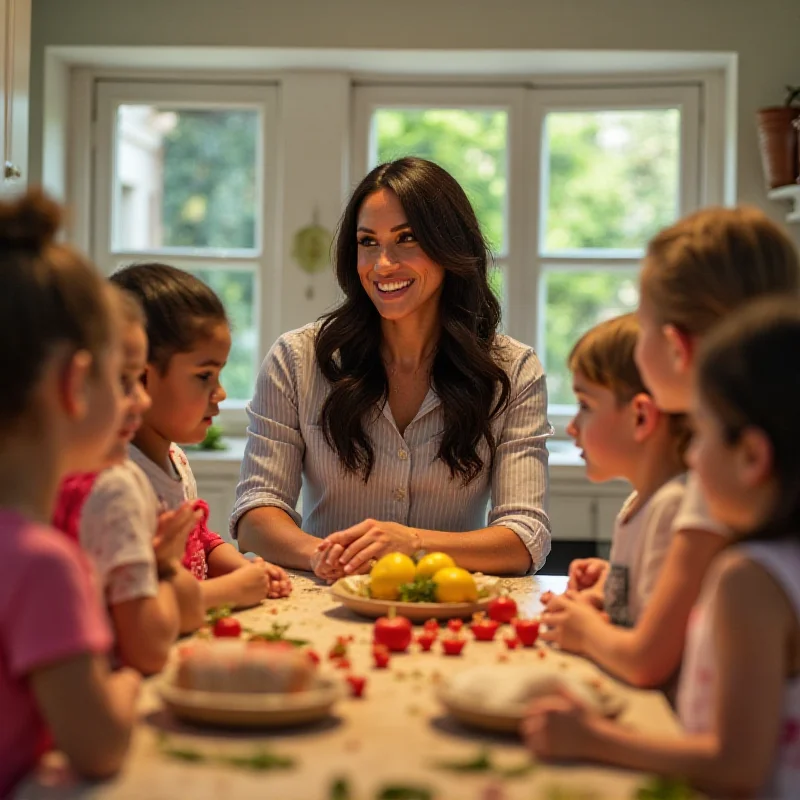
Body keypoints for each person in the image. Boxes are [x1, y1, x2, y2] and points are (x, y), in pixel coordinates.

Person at [524, 297, 800, 799]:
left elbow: (735, 765)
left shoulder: (749, 579)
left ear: (752, 456)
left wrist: (593, 739)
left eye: (703, 435)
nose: (691, 454)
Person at [233, 157, 552, 579]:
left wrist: (414, 544)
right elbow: (257, 512)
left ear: (451, 247)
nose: (383, 264)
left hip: (447, 610)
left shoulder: (513, 370)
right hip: (327, 605)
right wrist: (322, 556)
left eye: (407, 239)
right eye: (368, 242)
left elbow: (524, 538)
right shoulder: (297, 359)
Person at [539, 206, 800, 688]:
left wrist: (586, 629)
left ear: (678, 348)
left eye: (643, 325)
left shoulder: (707, 488)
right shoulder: (752, 465)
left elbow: (648, 659)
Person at [0, 189, 139, 795]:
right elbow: (99, 745)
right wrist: (131, 680)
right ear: (76, 384)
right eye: (120, 375)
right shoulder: (43, 562)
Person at [109, 263, 292, 607]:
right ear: (141, 377)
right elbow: (139, 604)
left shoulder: (173, 458)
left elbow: (199, 542)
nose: (220, 393)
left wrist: (245, 569)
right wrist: (234, 590)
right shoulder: (118, 483)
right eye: (204, 376)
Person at [53, 289, 205, 675]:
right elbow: (151, 649)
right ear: (71, 383)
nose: (142, 399)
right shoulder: (115, 487)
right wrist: (166, 567)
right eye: (124, 381)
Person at [551, 314, 687, 626]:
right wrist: (608, 588)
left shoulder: (672, 508)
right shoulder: (639, 502)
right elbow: (644, 609)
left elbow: (652, 658)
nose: (572, 427)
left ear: (640, 417)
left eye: (585, 406)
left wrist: (584, 630)